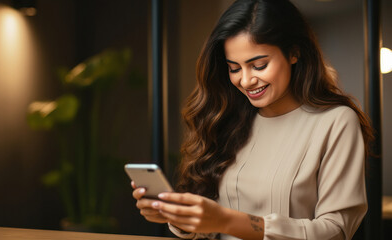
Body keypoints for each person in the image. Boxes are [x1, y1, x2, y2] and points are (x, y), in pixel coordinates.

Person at [132, 0, 374, 239]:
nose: (246, 81)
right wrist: (179, 217)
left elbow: (336, 231)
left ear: (294, 53)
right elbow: (209, 227)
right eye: (234, 69)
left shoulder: (336, 122)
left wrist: (228, 221)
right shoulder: (228, 119)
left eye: (259, 65)